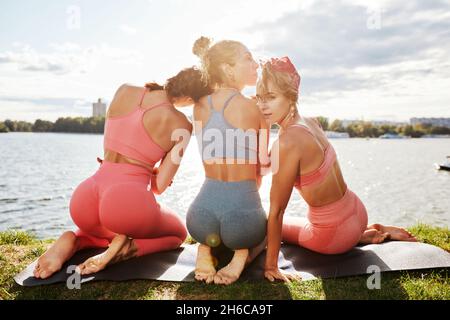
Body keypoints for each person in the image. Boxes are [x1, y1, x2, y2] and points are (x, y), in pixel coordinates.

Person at [33, 67, 211, 279]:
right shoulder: (182, 124)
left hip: (87, 196)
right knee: (178, 233)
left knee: (109, 227)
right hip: (124, 202)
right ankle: (127, 248)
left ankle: (76, 239)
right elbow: (159, 187)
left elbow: (120, 149)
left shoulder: (125, 90)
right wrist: (150, 171)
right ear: (189, 98)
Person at [256, 56, 417, 282]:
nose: (262, 105)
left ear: (291, 97)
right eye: (259, 98)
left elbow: (277, 211)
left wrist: (271, 266)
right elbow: (267, 164)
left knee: (264, 222)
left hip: (332, 236)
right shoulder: (311, 122)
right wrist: (264, 125)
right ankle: (365, 233)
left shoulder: (288, 142)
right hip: (357, 212)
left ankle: (356, 236)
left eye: (270, 97)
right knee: (294, 220)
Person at [186, 37, 270, 285]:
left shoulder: (199, 106)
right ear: (227, 68)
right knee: (270, 227)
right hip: (242, 220)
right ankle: (241, 254)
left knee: (214, 231)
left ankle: (205, 247)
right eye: (247, 58)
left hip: (199, 217)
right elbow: (262, 169)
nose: (255, 64)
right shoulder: (255, 110)